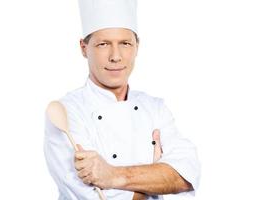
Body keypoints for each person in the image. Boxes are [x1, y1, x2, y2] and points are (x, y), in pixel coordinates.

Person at [44, 0, 201, 199]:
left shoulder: (155, 108)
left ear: (137, 47)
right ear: (84, 48)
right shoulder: (65, 112)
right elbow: (89, 196)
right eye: (103, 44)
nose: (115, 56)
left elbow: (187, 175)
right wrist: (155, 179)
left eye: (125, 43)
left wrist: (111, 176)